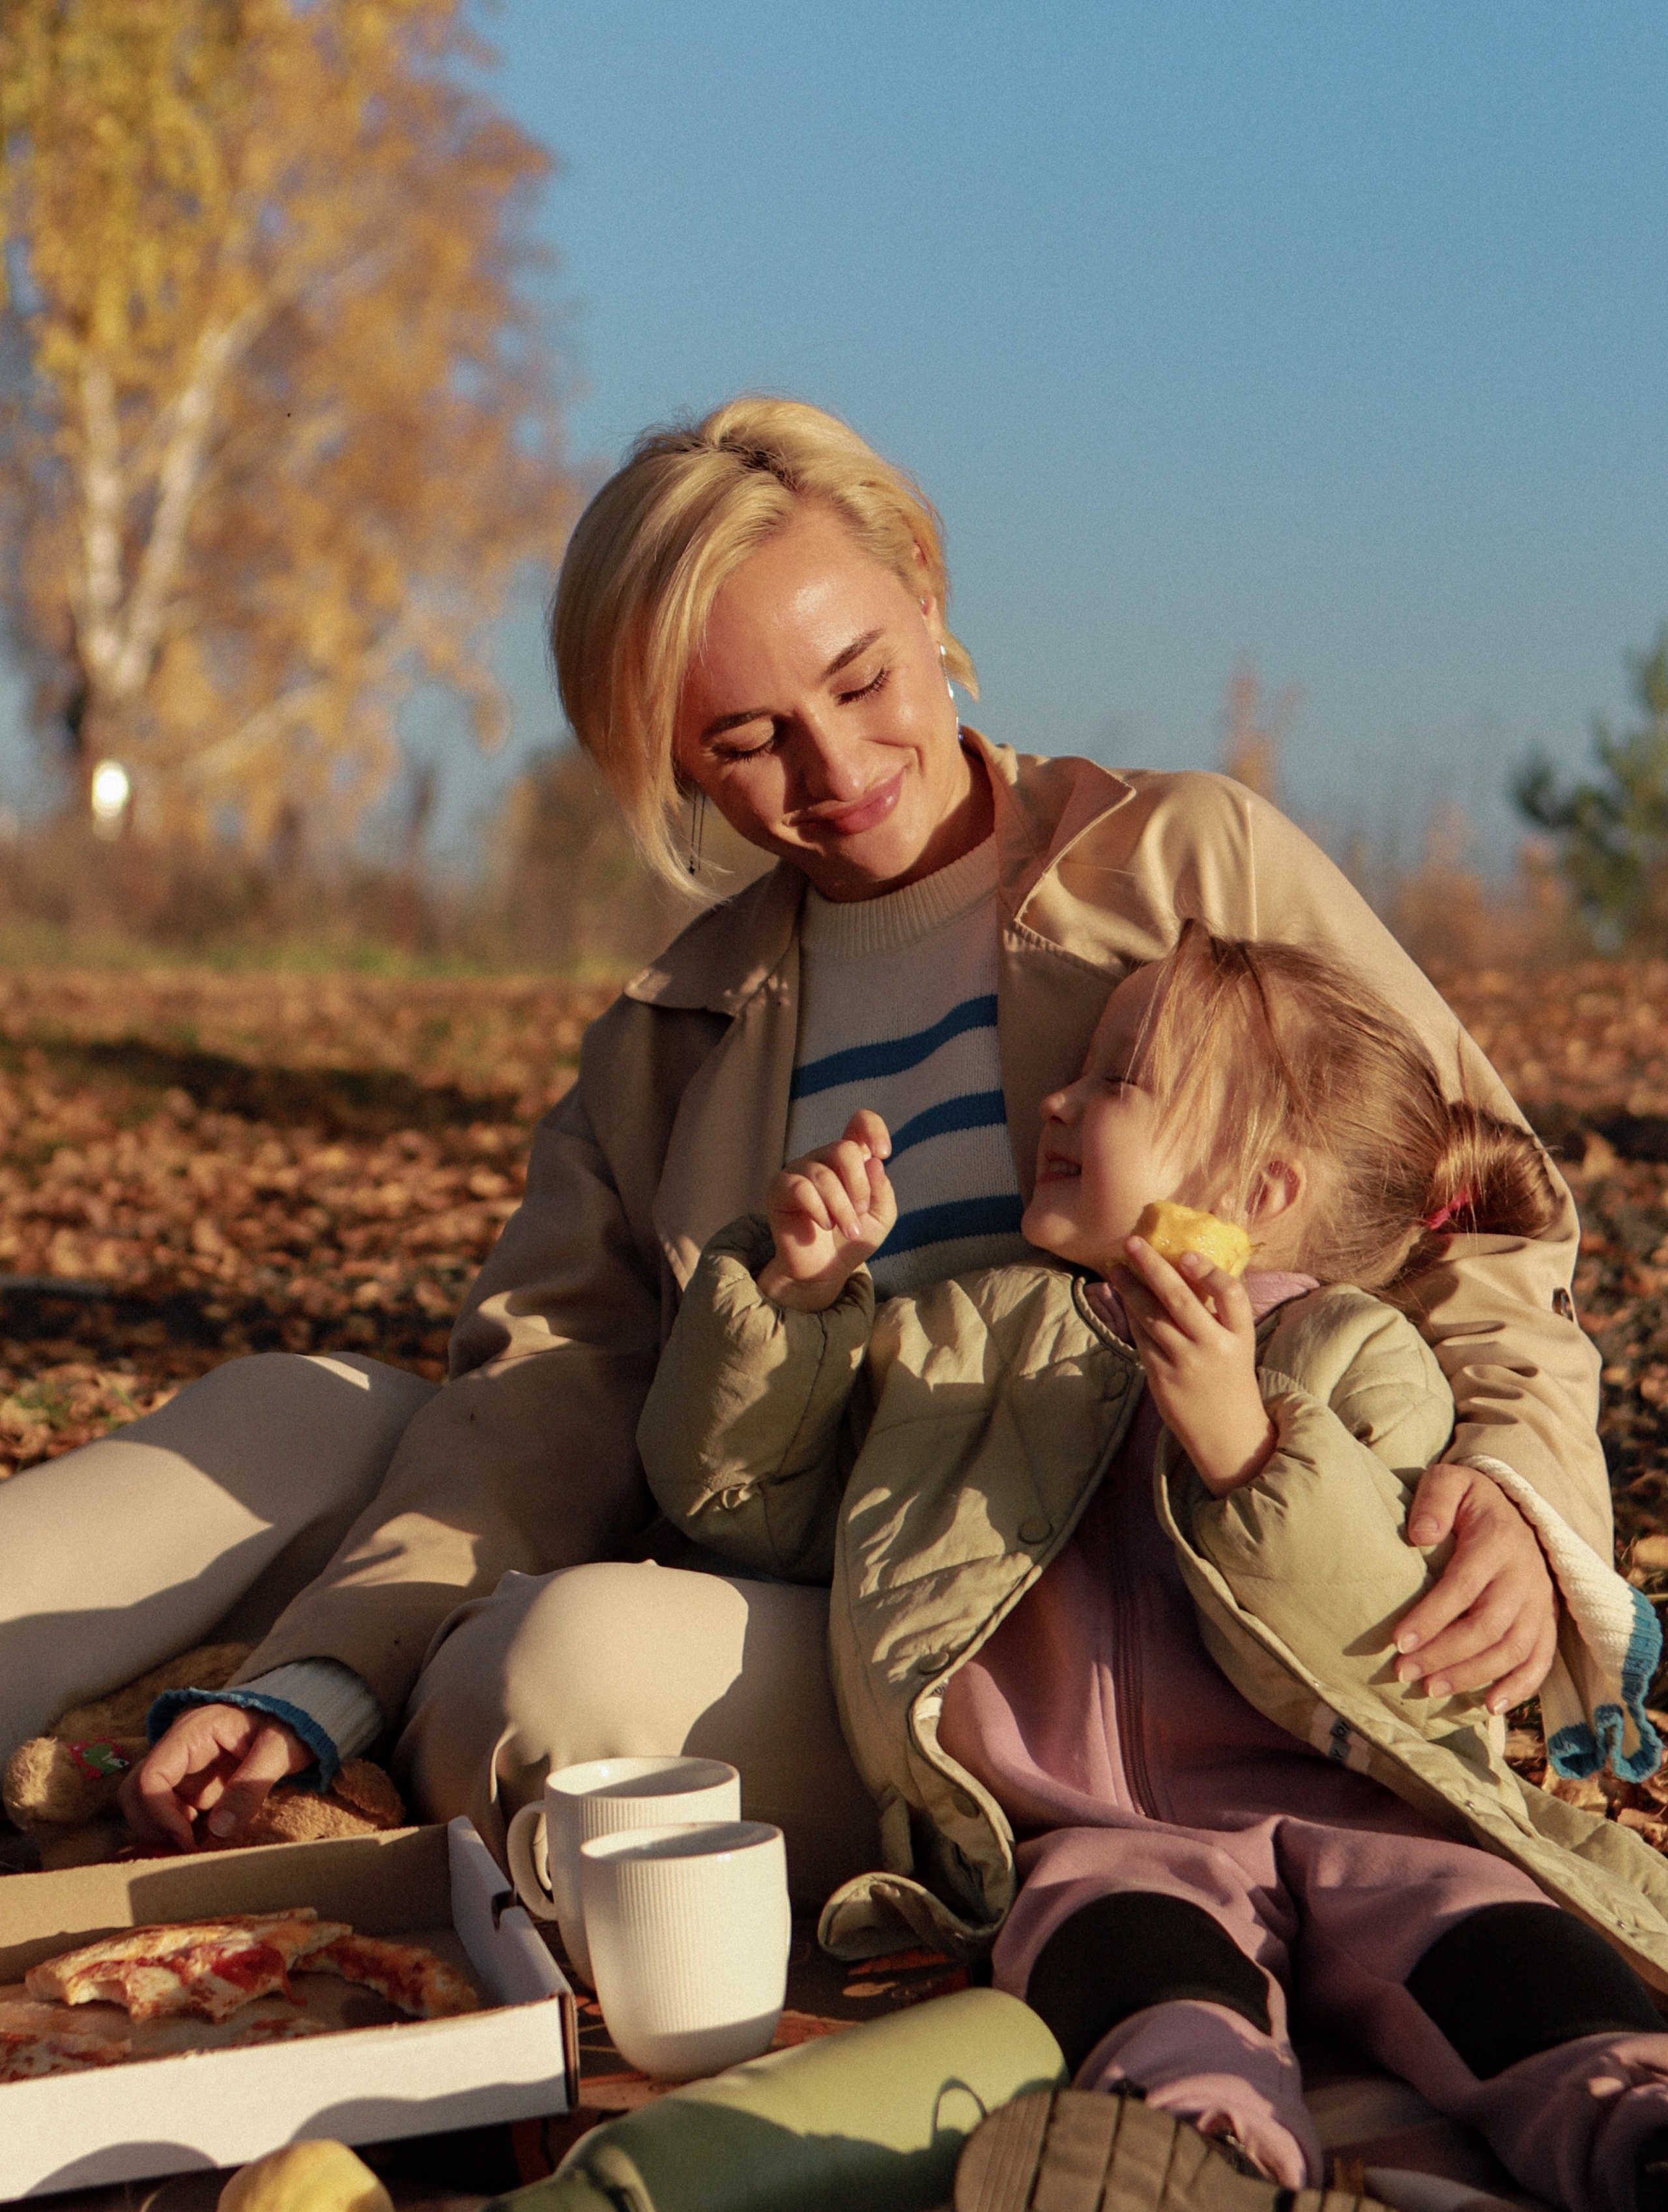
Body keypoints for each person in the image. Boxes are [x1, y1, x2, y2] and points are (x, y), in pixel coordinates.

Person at [0, 398, 1605, 1895]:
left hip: (1067, 1646)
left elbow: (1472, 1207)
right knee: (293, 1410)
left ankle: (295, 1753)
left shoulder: (1182, 864)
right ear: (668, 760)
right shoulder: (675, 1027)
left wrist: (1516, 1502)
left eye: (857, 680)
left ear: (922, 593)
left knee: (542, 1675)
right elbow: (545, 1401)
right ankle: (200, 1722)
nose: (834, 773)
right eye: (743, 740)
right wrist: (322, 1673)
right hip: (779, 1563)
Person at [634, 922, 1668, 2212]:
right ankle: (1205, 2180)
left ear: (1258, 1188)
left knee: (1497, 1948)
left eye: (1118, 1078)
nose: (1055, 1099)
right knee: (1118, 1962)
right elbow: (753, 1503)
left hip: (1366, 1814)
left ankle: (1638, 2131)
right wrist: (798, 1304)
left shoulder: (1353, 1355)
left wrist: (1245, 1442)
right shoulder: (970, 1339)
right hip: (1098, 1832)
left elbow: (1390, 1639)